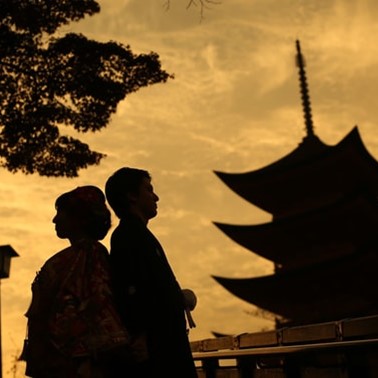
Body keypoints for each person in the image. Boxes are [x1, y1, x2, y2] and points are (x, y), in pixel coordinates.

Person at [22, 186, 130, 378]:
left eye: (60, 213)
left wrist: (85, 359)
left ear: (78, 217)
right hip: (58, 360)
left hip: (75, 364)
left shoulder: (91, 254)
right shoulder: (75, 256)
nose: (55, 219)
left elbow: (98, 303)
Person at [105, 167, 198, 377]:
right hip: (156, 348)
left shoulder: (136, 233)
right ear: (131, 196)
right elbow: (130, 290)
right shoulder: (127, 235)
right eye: (149, 190)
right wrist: (139, 335)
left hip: (163, 343)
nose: (156, 197)